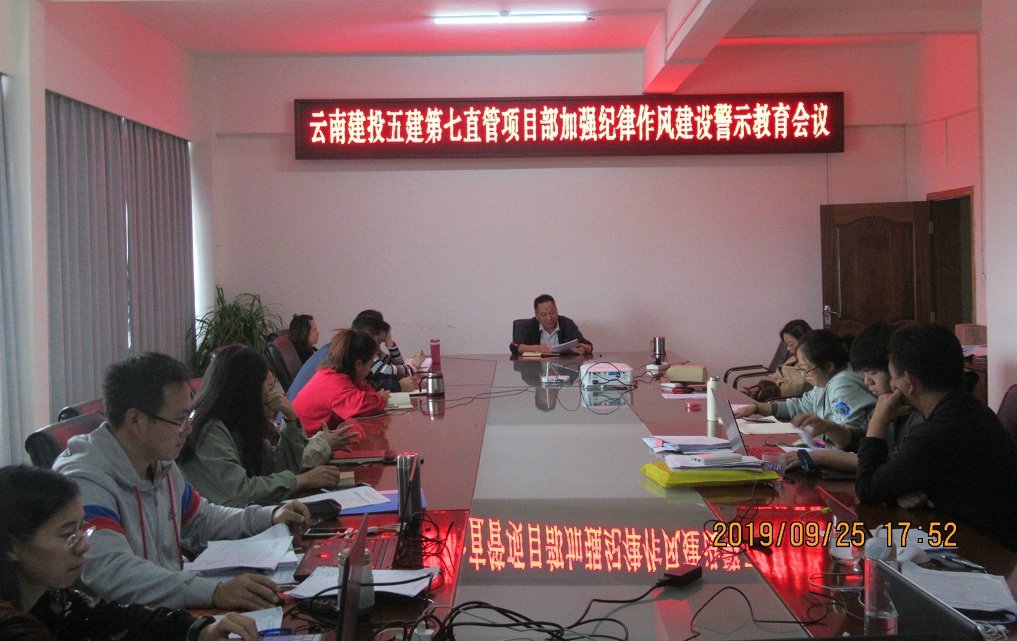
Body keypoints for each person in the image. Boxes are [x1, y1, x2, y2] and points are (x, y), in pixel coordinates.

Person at [52, 353, 311, 610]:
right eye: (179, 420)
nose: (189, 429)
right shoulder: (84, 481)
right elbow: (112, 572)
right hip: (125, 621)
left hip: (169, 612)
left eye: (189, 417)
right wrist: (214, 592)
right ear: (135, 420)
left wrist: (270, 516)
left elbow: (202, 519)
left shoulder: (158, 462)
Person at [0, 465, 259, 641]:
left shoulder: (54, 598)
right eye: (67, 535)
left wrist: (201, 630)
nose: (84, 546)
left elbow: (118, 619)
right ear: (12, 547)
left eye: (82, 529)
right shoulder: (11, 628)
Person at [856, 323, 1017, 551]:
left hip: (988, 551)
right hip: (970, 534)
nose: (892, 385)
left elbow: (867, 489)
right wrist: (899, 492)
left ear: (910, 382)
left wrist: (878, 420)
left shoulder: (939, 430)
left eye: (893, 377)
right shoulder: (966, 409)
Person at [177, 345, 358, 508]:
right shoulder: (209, 430)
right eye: (268, 386)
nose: (272, 393)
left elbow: (275, 467)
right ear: (248, 389)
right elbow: (241, 494)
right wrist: (301, 481)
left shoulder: (240, 422)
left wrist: (291, 420)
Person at [783, 322, 924, 474]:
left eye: (873, 373)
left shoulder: (918, 419)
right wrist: (828, 427)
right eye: (864, 373)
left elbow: (883, 467)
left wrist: (821, 457)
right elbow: (858, 440)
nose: (867, 381)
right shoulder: (888, 402)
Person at [734, 329, 875, 449]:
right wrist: (758, 407)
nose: (803, 374)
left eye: (806, 369)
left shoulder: (843, 385)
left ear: (828, 366)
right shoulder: (826, 380)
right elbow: (801, 405)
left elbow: (847, 441)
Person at [292, 329, 389, 436]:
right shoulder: (334, 383)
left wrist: (374, 397)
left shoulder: (338, 375)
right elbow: (365, 407)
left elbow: (365, 390)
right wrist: (381, 398)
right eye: (370, 365)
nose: (370, 370)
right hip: (304, 443)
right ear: (358, 364)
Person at [351, 313, 422, 393]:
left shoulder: (375, 352)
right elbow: (385, 370)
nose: (379, 348)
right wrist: (412, 368)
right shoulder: (362, 354)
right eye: (378, 342)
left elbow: (396, 367)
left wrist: (390, 344)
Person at [745, 319, 813, 401]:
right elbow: (776, 374)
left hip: (785, 400)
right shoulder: (794, 358)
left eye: (791, 344)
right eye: (787, 345)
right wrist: (762, 386)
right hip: (776, 397)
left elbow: (798, 387)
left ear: (804, 341)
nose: (788, 349)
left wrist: (769, 392)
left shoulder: (812, 362)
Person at [510, 294, 592, 355]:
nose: (549, 318)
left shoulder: (567, 324)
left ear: (556, 310)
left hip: (563, 369)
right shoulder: (529, 326)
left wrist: (585, 349)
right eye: (544, 315)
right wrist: (536, 348)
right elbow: (514, 346)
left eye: (552, 312)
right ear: (537, 315)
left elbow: (588, 345)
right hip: (535, 370)